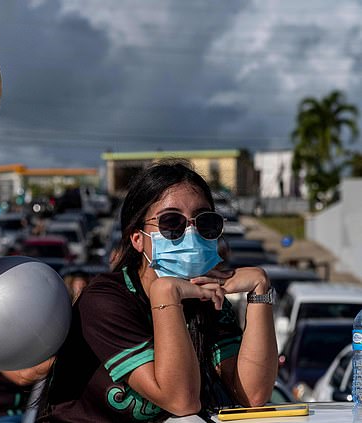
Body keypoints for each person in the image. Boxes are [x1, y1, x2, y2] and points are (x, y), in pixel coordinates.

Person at [38, 160, 278, 422]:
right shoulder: (104, 300)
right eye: (171, 222)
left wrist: (259, 289)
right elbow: (180, 400)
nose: (191, 232)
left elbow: (253, 395)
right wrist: (166, 293)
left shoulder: (206, 298)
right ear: (137, 238)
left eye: (205, 222)